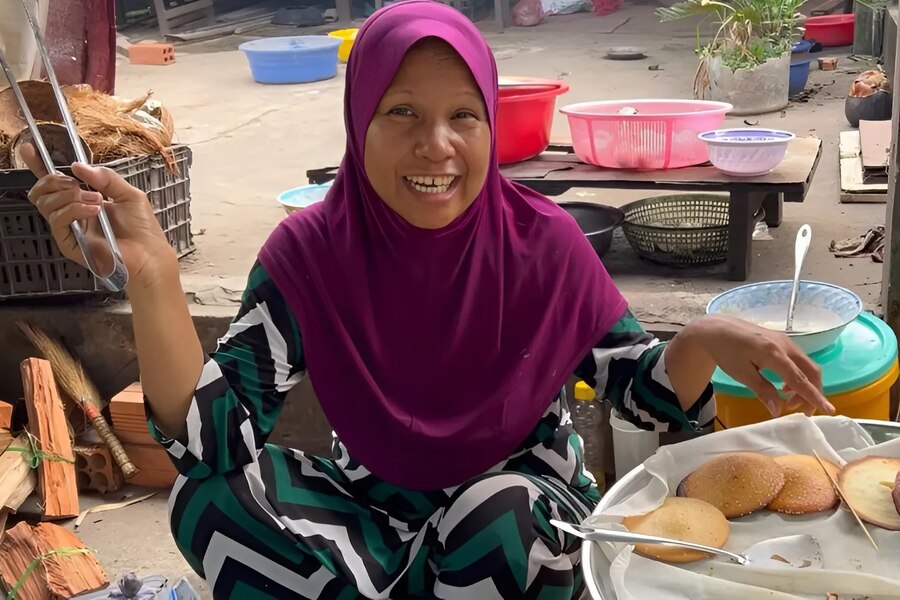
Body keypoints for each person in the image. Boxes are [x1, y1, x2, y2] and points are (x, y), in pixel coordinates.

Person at [22, 2, 833, 598]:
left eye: (463, 117)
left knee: (500, 518)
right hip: (369, 507)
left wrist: (707, 335)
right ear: (357, 122)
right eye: (401, 112)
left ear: (490, 127)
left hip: (522, 503)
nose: (435, 145)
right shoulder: (312, 254)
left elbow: (644, 390)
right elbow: (217, 442)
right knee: (211, 506)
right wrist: (156, 276)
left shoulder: (542, 244)